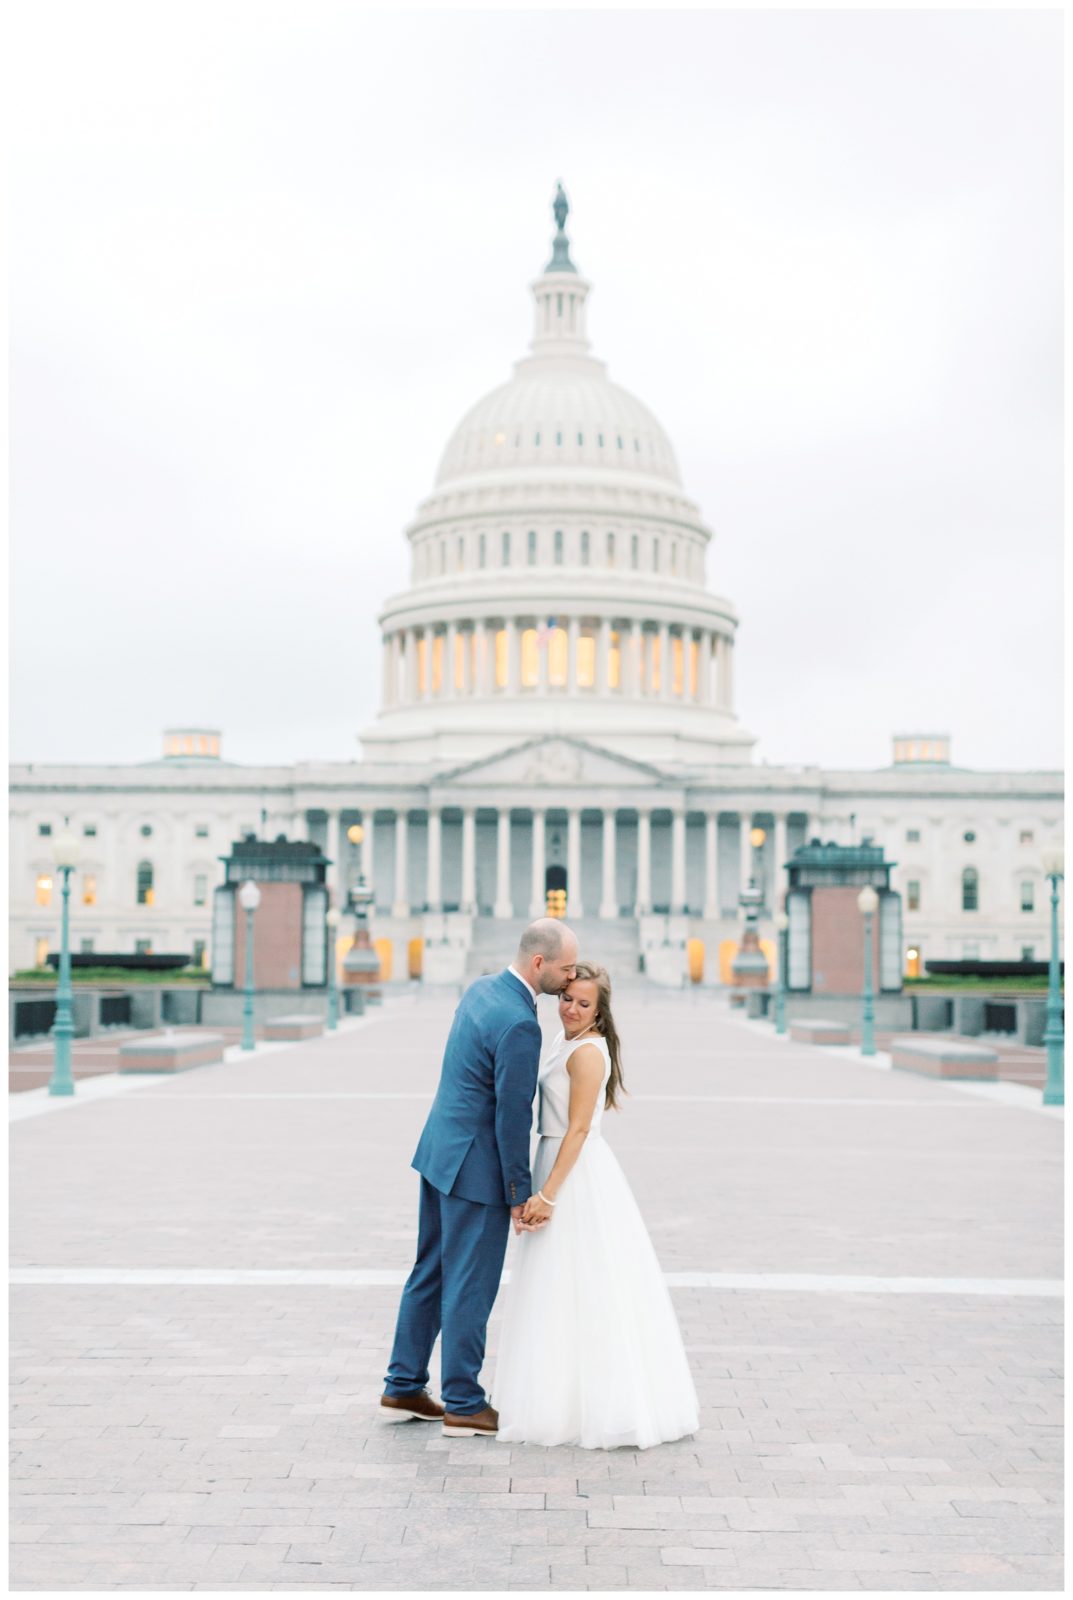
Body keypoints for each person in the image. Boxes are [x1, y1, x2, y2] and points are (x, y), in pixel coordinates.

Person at [379, 918, 579, 1438]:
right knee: (470, 1283)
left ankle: (402, 1385)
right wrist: (519, 1191)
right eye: (566, 967)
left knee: (430, 1272)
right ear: (540, 963)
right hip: (475, 1169)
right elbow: (513, 1114)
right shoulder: (520, 1023)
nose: (571, 975)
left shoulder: (481, 990)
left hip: (440, 1152)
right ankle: (464, 1401)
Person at [493, 962, 699, 1449]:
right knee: (556, 1288)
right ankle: (557, 1398)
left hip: (573, 1170)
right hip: (554, 1157)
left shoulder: (587, 1052)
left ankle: (597, 1405)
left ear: (600, 1012)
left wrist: (547, 1194)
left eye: (584, 1004)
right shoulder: (564, 1042)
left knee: (583, 1282)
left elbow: (580, 1129)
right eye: (567, 999)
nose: (571, 1008)